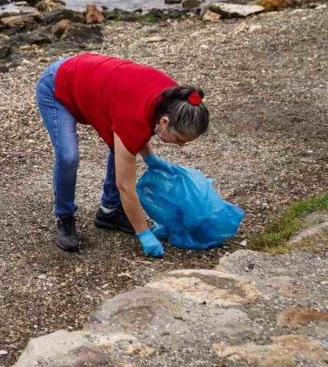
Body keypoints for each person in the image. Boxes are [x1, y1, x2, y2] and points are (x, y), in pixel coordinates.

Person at [35, 52, 209, 257]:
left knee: (122, 147)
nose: (180, 146)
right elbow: (126, 186)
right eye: (179, 139)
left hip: (94, 83)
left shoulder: (177, 102)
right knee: (68, 157)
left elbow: (137, 129)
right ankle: (64, 216)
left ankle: (109, 212)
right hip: (57, 85)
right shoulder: (142, 114)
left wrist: (151, 159)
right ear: (164, 122)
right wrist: (143, 233)